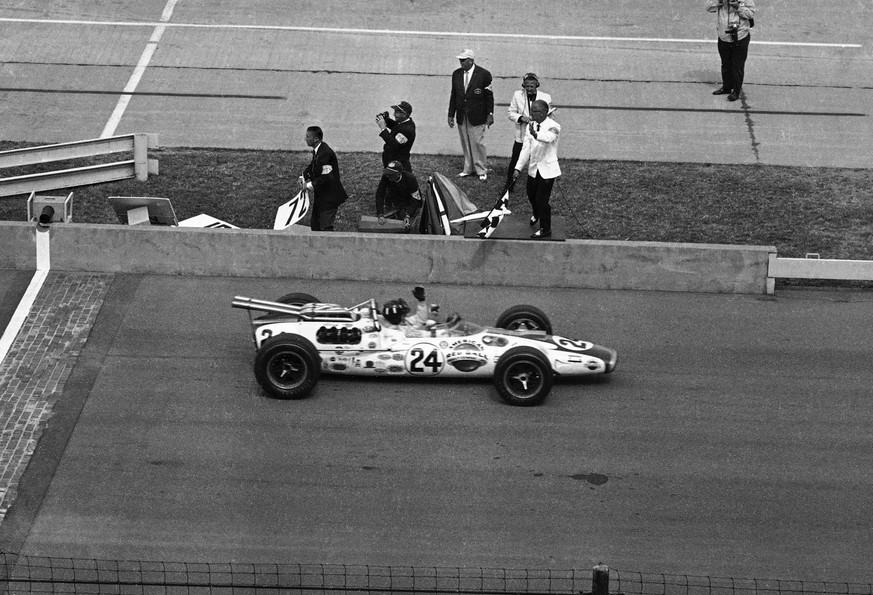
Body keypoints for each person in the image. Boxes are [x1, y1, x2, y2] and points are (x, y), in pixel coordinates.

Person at [512, 100, 561, 239]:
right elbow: (526, 148)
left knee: (542, 200)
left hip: (547, 170)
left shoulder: (554, 126)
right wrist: (518, 168)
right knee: (531, 195)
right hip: (534, 169)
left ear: (544, 112)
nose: (531, 114)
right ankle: (537, 213)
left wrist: (536, 135)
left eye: (535, 112)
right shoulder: (530, 126)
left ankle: (545, 229)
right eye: (531, 111)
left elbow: (549, 138)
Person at [447, 49, 494, 181]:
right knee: (465, 141)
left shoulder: (484, 74)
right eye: (460, 60)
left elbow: (489, 96)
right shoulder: (456, 74)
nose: (461, 63)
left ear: (471, 60)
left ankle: (481, 169)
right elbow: (454, 95)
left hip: (478, 114)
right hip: (462, 114)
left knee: (478, 142)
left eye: (463, 60)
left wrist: (490, 114)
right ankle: (468, 168)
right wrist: (451, 114)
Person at [506, 72, 552, 189]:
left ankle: (538, 183)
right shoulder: (517, 95)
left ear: (537, 85)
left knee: (538, 162)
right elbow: (510, 113)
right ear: (523, 86)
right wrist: (521, 118)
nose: (529, 89)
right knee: (515, 161)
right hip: (521, 136)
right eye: (527, 86)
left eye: (532, 86)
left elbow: (550, 115)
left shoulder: (546, 97)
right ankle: (509, 185)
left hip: (537, 135)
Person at [706, 0, 756, 102]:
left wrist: (738, 7)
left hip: (740, 36)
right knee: (725, 64)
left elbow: (751, 13)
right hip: (724, 36)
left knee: (737, 66)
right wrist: (719, 2)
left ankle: (736, 91)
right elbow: (709, 7)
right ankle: (727, 87)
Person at [302, 125, 348, 231]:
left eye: (308, 137)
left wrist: (308, 185)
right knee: (315, 224)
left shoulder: (325, 153)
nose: (306, 139)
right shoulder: (319, 150)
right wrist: (303, 175)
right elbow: (313, 165)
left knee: (325, 227)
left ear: (316, 139)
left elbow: (327, 177)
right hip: (322, 195)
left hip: (329, 197)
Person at [375, 160, 422, 232]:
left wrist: (408, 215)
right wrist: (380, 214)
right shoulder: (385, 177)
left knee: (410, 226)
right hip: (395, 201)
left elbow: (416, 199)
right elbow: (380, 194)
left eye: (391, 174)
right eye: (387, 173)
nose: (388, 176)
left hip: (409, 202)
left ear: (398, 174)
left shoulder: (410, 179)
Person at [376, 100, 416, 172]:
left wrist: (383, 129)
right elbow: (395, 126)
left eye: (397, 112)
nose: (394, 115)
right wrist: (384, 119)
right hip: (393, 164)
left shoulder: (407, 130)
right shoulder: (404, 123)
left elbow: (393, 145)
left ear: (405, 114)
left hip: (398, 167)